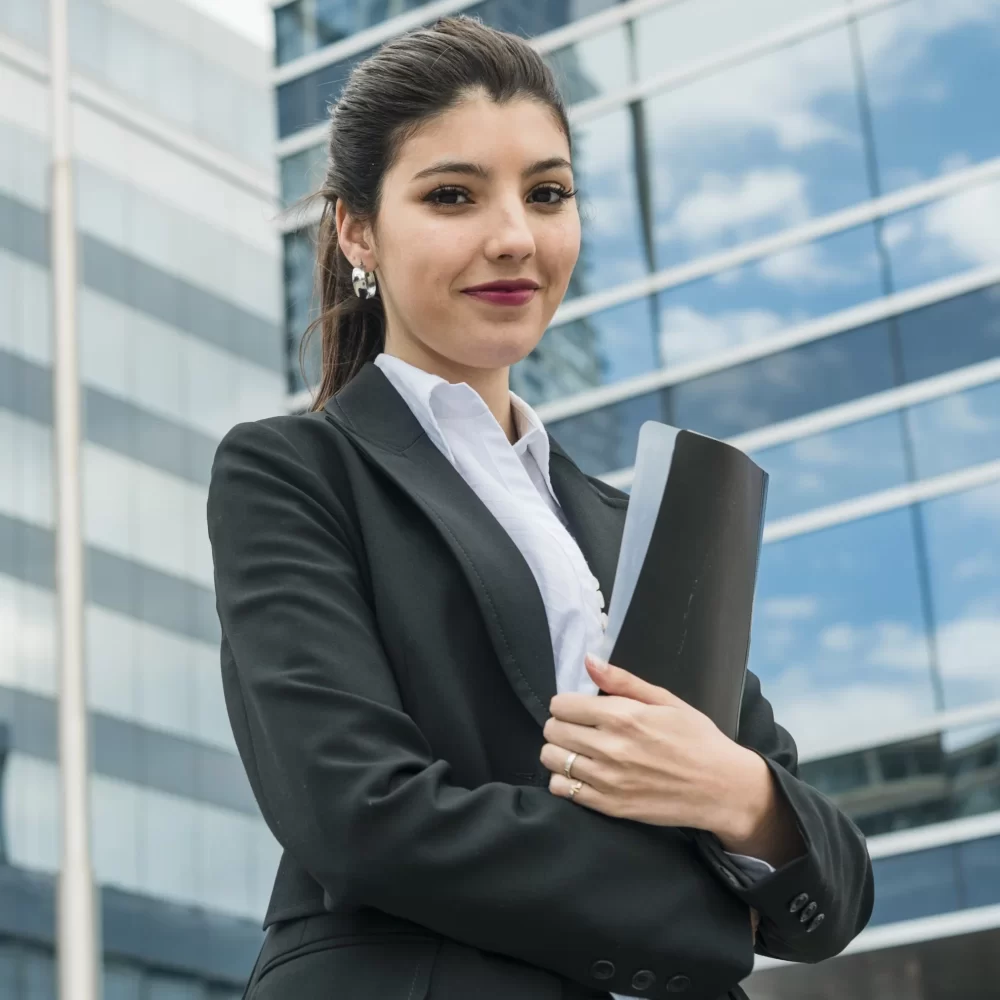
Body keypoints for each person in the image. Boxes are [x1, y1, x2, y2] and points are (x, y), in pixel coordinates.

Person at [206, 15, 874, 1000]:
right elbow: (358, 812)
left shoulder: (626, 525)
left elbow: (835, 882)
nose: (514, 235)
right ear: (357, 229)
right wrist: (701, 910)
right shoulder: (297, 472)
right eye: (451, 195)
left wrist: (736, 793)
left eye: (547, 193)